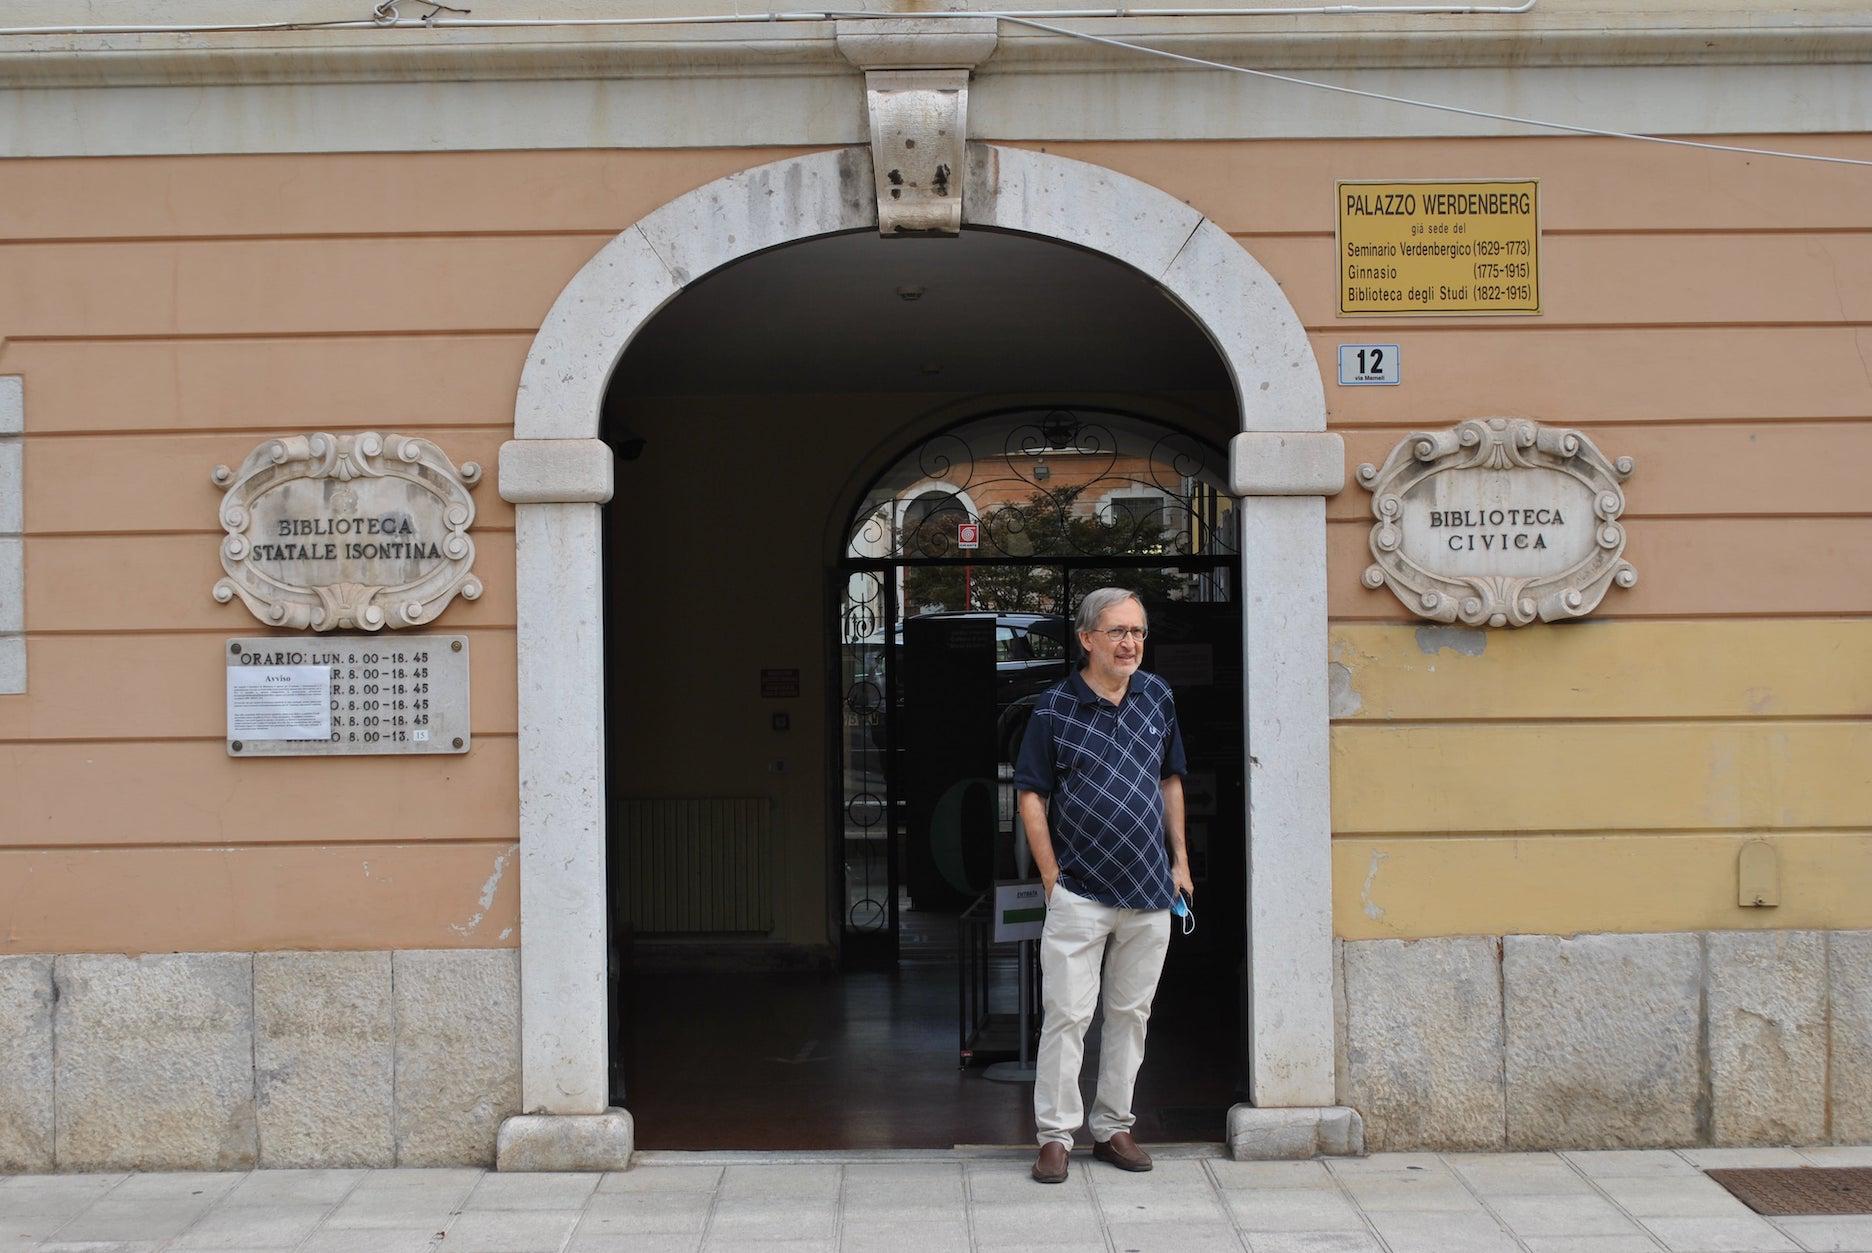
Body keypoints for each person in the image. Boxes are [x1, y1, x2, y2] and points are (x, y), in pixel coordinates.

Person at [1014, 587, 1191, 1184]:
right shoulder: (1054, 707)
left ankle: (1113, 1126)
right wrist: (1048, 875)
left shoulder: (1157, 696)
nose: (1130, 643)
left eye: (1138, 632)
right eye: (1118, 632)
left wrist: (1181, 862)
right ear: (1086, 639)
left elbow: (1171, 781)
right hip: (1080, 890)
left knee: (1131, 1015)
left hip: (1149, 888)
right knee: (1066, 1015)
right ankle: (1055, 1137)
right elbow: (1031, 795)